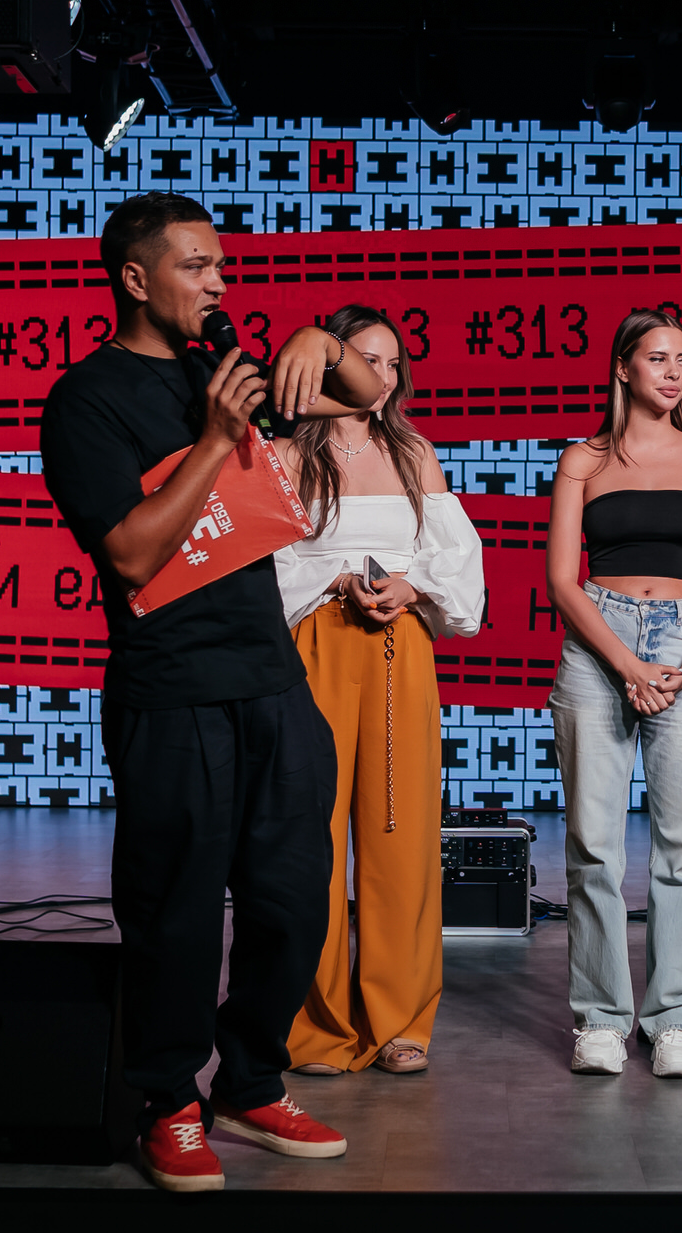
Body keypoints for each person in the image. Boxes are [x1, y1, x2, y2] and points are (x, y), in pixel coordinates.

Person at [39, 192, 385, 1192]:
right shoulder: (85, 400)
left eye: (221, 266)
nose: (217, 284)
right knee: (176, 914)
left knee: (295, 900)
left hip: (271, 679)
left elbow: (366, 393)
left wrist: (322, 341)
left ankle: (250, 1080)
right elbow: (130, 552)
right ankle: (168, 1102)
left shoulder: (224, 371)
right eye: (195, 266)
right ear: (134, 278)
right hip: (171, 691)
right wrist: (214, 437)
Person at [271, 304, 486, 1077]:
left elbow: (458, 565)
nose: (384, 377)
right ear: (329, 364)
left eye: (394, 363)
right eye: (368, 359)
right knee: (311, 839)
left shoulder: (414, 452)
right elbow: (261, 565)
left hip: (400, 647)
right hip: (314, 645)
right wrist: (335, 577)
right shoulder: (284, 453)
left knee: (401, 833)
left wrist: (411, 584)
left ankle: (400, 1019)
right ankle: (316, 1024)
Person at [545, 309, 682, 1080]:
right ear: (623, 367)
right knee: (594, 846)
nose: (674, 372)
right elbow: (563, 580)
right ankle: (599, 1020)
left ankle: (675, 1021)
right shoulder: (582, 459)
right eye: (657, 358)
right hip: (601, 645)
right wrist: (626, 662)